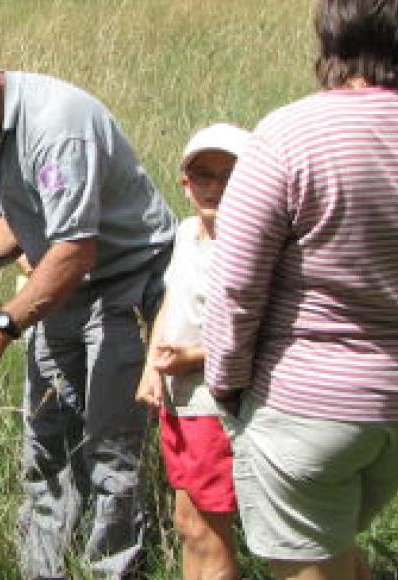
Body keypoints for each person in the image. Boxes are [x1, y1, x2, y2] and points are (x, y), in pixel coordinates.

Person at [199, 0, 398, 577]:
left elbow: (236, 285)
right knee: (336, 555)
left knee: (308, 564)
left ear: (328, 32)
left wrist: (227, 382)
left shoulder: (287, 135)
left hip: (302, 402)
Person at [0, 43, 175, 579]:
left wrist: (0, 327)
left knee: (109, 456)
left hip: (122, 287)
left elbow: (76, 249)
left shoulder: (56, 126)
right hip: (61, 291)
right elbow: (19, 216)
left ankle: (112, 570)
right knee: (46, 445)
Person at [133, 123, 249, 580]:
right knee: (188, 523)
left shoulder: (247, 246)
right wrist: (151, 366)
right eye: (204, 174)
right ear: (185, 182)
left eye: (231, 175)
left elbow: (250, 332)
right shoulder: (185, 233)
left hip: (214, 405)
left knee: (210, 532)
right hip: (179, 401)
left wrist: (190, 359)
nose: (216, 188)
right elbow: (170, 302)